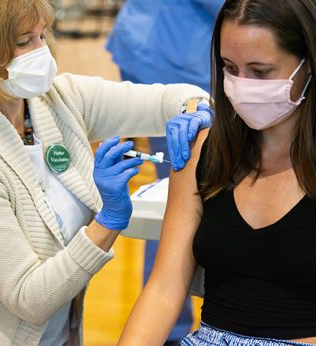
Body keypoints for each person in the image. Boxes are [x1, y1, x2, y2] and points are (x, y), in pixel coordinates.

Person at [118, 0, 316, 345]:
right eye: (229, 67)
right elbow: (163, 289)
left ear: (309, 65)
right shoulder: (203, 152)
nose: (240, 85)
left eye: (260, 72)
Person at [0, 1, 212, 345]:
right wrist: (107, 222)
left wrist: (196, 110)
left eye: (43, 35)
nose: (42, 52)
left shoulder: (56, 100)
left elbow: (169, 99)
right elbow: (30, 298)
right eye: (25, 42)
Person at [106, 2, 223, 342]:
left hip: (158, 42)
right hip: (171, 56)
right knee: (177, 196)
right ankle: (170, 331)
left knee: (178, 192)